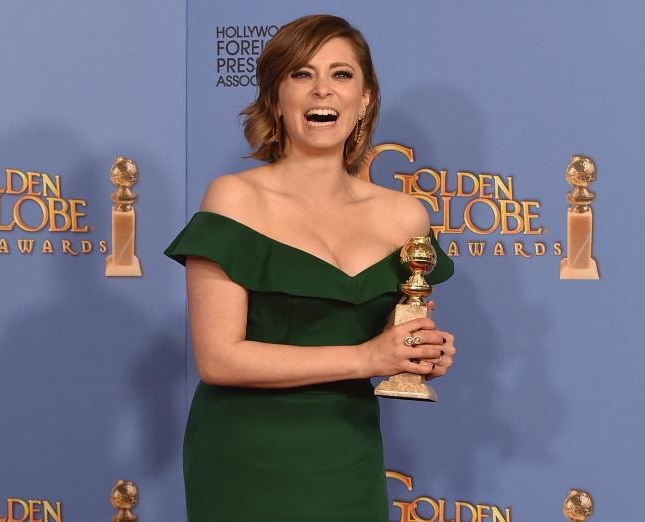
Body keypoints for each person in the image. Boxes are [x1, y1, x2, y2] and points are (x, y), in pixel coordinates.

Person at [165, 14, 456, 522]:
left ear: (365, 99)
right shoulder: (235, 199)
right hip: (244, 458)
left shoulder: (404, 215)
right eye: (302, 74)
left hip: (348, 451)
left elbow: (399, 333)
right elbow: (218, 359)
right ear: (277, 97)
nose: (323, 90)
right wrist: (367, 357)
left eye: (342, 75)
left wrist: (421, 354)